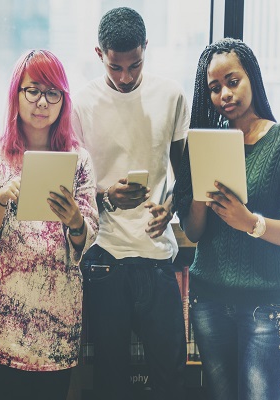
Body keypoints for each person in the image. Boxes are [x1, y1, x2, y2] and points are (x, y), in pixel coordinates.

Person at [71, 7, 189, 400]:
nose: (125, 77)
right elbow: (76, 187)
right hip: (104, 256)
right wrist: (107, 197)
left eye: (134, 65)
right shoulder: (81, 104)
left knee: (171, 374)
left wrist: (169, 206)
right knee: (110, 379)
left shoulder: (170, 95)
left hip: (157, 256)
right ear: (98, 53)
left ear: (145, 51)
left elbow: (183, 174)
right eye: (115, 66)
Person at [0, 49, 98, 400]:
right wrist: (1, 199)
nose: (42, 101)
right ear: (16, 94)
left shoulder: (78, 160)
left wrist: (74, 219)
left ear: (63, 100)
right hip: (2, 318)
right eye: (33, 90)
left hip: (56, 322)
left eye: (52, 93)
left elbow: (87, 234)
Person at [173, 38, 280, 400]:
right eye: (215, 88)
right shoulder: (206, 143)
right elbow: (193, 231)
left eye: (233, 81)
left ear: (252, 76)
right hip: (209, 301)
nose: (225, 94)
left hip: (264, 305)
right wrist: (201, 199)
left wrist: (251, 222)